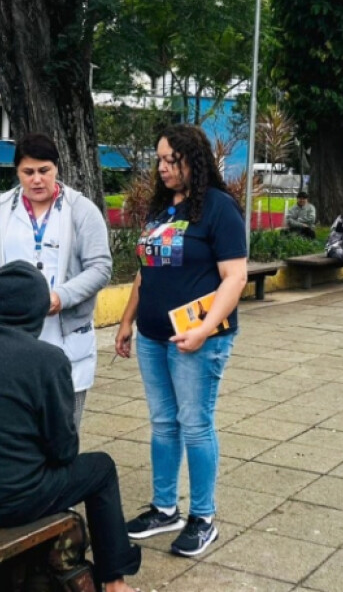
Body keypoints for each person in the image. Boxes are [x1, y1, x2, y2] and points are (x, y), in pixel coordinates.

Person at [0, 261, 141, 591]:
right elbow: (64, 451)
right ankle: (114, 581)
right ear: (39, 311)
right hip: (8, 502)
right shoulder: (46, 358)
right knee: (101, 469)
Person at [114, 124, 247, 558]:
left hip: (197, 339)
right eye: (159, 160)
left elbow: (235, 277)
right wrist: (126, 321)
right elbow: (144, 271)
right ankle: (165, 506)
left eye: (172, 160)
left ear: (195, 159)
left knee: (195, 424)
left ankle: (203, 517)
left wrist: (204, 329)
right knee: (163, 423)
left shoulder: (219, 209)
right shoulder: (161, 209)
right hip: (154, 336)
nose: (163, 167)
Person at [0, 133, 111, 428]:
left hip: (65, 332)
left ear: (56, 168)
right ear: (17, 172)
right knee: (15, 425)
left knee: (64, 428)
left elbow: (100, 267)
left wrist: (61, 297)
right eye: (28, 172)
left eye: (44, 170)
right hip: (11, 332)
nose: (36, 180)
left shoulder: (81, 211)